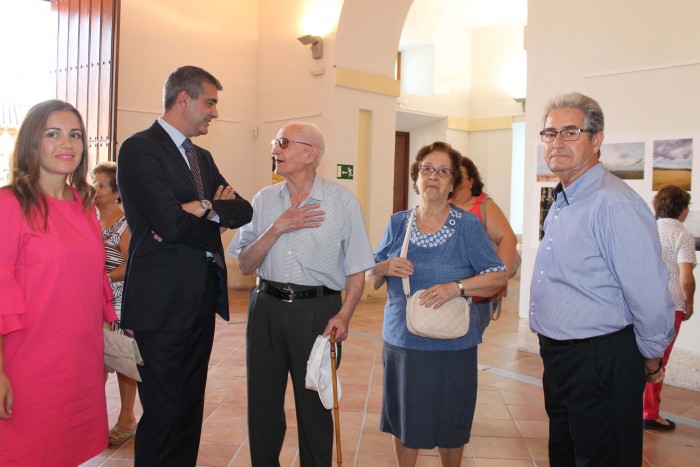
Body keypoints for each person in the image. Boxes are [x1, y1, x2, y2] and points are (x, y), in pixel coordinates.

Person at [117, 65, 253, 466]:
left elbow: (242, 210)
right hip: (159, 304)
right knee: (162, 412)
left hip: (199, 299)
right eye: (210, 102)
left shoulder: (203, 157)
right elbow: (168, 223)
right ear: (184, 99)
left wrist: (204, 206)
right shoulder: (140, 148)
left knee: (190, 407)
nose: (214, 112)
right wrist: (208, 216)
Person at [530, 92, 675, 466]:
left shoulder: (612, 203)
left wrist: (651, 358)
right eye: (549, 134)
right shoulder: (565, 200)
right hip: (562, 359)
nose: (557, 142)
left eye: (570, 132)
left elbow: (648, 293)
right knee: (566, 454)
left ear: (596, 140)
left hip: (599, 359)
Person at [228, 122, 374, 466]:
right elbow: (246, 264)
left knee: (315, 406)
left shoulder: (342, 203)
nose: (274, 150)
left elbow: (357, 270)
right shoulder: (264, 200)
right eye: (275, 143)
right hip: (265, 307)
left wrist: (345, 314)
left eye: (283, 143)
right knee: (262, 404)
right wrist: (277, 227)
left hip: (318, 312)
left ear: (311, 154)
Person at [366, 141, 507, 466]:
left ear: (453, 182)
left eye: (443, 171)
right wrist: (385, 267)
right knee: (406, 419)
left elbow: (498, 275)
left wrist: (456, 287)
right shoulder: (399, 222)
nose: (433, 176)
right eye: (427, 169)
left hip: (454, 344)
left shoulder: (468, 226)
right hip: (403, 340)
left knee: (452, 419)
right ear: (416, 177)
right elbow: (371, 275)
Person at [0, 100, 117, 465]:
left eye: (75, 135)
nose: (67, 143)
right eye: (53, 134)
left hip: (80, 364)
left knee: (76, 454)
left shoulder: (85, 207)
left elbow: (90, 282)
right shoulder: (9, 205)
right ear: (33, 142)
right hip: (28, 364)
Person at [92, 161, 139, 445]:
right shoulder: (90, 219)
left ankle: (126, 419)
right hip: (93, 299)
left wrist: (105, 279)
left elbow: (131, 264)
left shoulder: (124, 224)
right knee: (95, 362)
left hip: (119, 298)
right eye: (93, 183)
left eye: (100, 186)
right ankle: (92, 419)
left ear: (116, 193)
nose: (94, 190)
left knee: (121, 359)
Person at [643, 185, 695, 430]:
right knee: (658, 361)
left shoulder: (647, 229)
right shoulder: (682, 235)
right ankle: (649, 413)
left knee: (640, 357)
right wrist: (690, 302)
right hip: (670, 305)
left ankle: (632, 409)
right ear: (682, 210)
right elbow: (686, 277)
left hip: (643, 303)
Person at [452, 156, 518, 335]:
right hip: (449, 294)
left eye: (459, 176)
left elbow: (508, 239)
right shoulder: (442, 205)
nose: (454, 179)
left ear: (471, 181)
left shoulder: (484, 205)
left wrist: (499, 279)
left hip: (478, 296)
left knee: (465, 343)